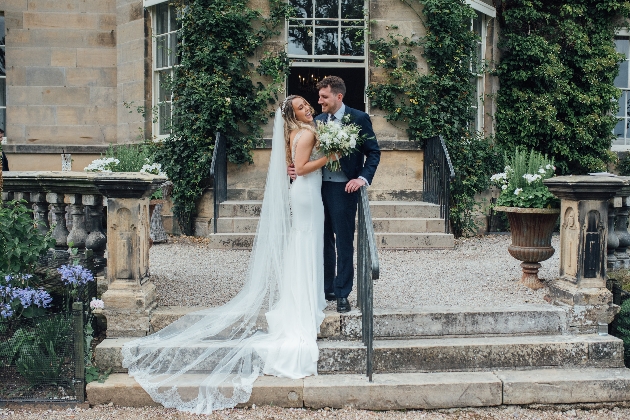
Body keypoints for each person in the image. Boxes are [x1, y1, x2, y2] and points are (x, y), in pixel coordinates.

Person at [121, 96, 331, 414]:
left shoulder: (299, 131)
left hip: (304, 193)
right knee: (305, 242)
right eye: (301, 106)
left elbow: (294, 166)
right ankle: (305, 304)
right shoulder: (306, 133)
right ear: (291, 114)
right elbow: (300, 168)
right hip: (305, 193)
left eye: (307, 105)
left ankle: (306, 298)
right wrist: (329, 157)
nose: (308, 109)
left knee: (304, 244)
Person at [290, 76, 380, 313]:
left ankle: (342, 293)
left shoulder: (359, 118)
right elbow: (304, 155)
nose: (319, 101)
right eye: (319, 97)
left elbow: (373, 153)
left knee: (343, 240)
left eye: (324, 97)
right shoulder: (316, 122)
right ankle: (326, 287)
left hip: (343, 189)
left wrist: (361, 178)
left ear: (338, 96)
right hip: (316, 189)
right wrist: (293, 168)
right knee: (322, 240)